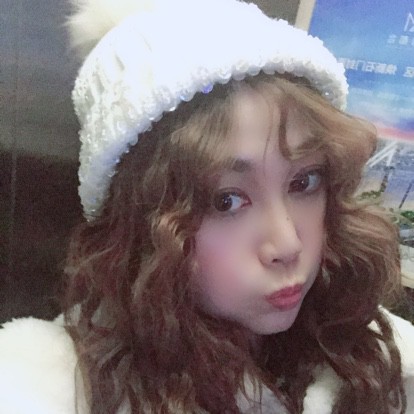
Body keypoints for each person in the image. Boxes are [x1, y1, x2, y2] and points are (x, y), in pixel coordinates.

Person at [0, 0, 413, 413]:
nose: (288, 245)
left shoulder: (381, 357)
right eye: (226, 201)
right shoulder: (42, 391)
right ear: (143, 225)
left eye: (304, 182)